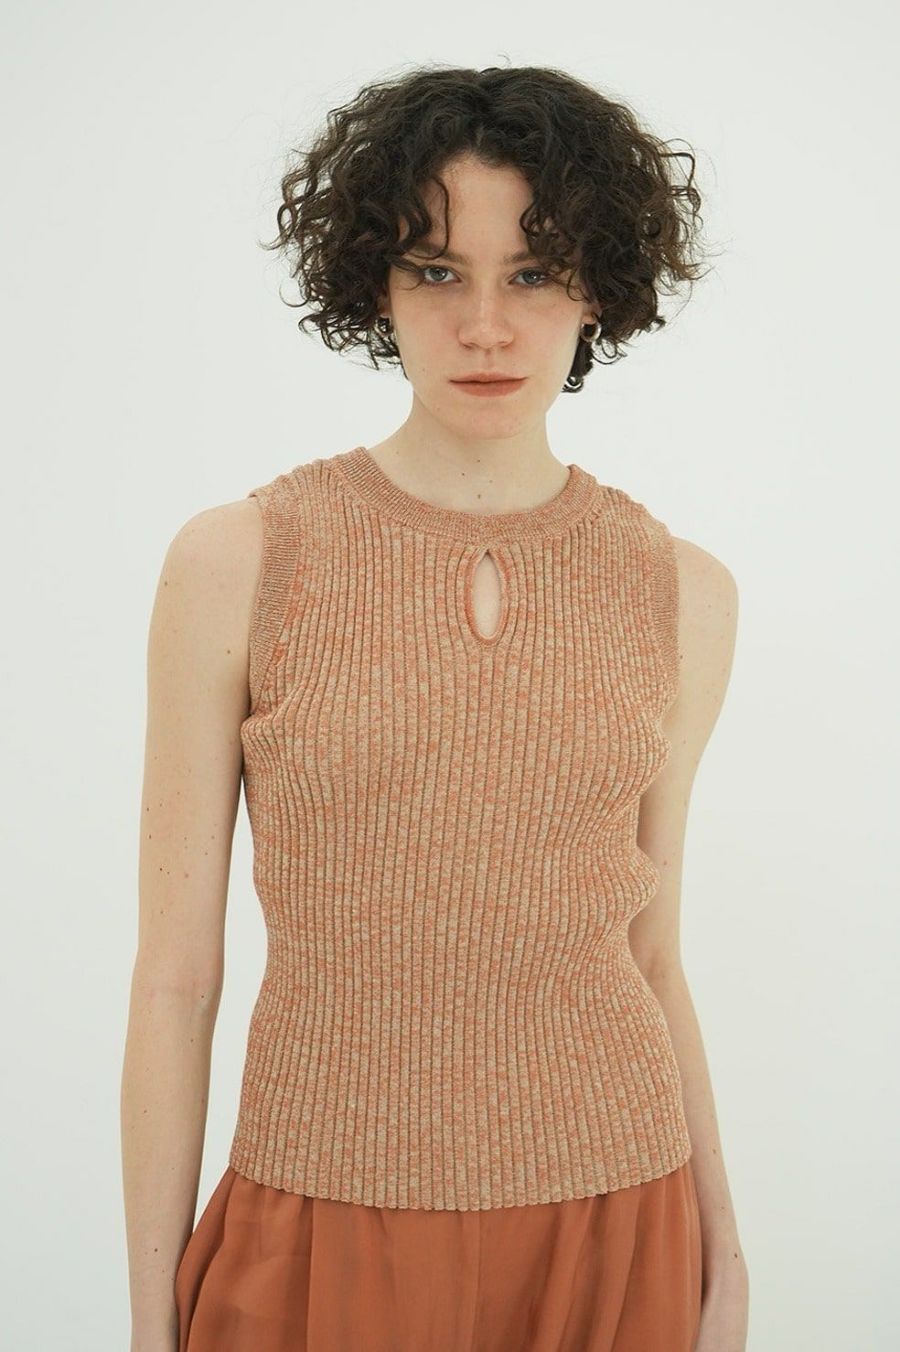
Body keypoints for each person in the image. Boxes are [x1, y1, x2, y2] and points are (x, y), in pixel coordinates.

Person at [121, 63, 749, 1352]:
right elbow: (177, 979)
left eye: (534, 272)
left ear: (598, 286)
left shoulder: (680, 589)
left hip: (619, 1210)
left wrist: (726, 1259)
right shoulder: (241, 559)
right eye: (437, 271)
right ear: (377, 284)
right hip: (318, 1207)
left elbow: (652, 955)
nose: (486, 327)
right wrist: (145, 1316)